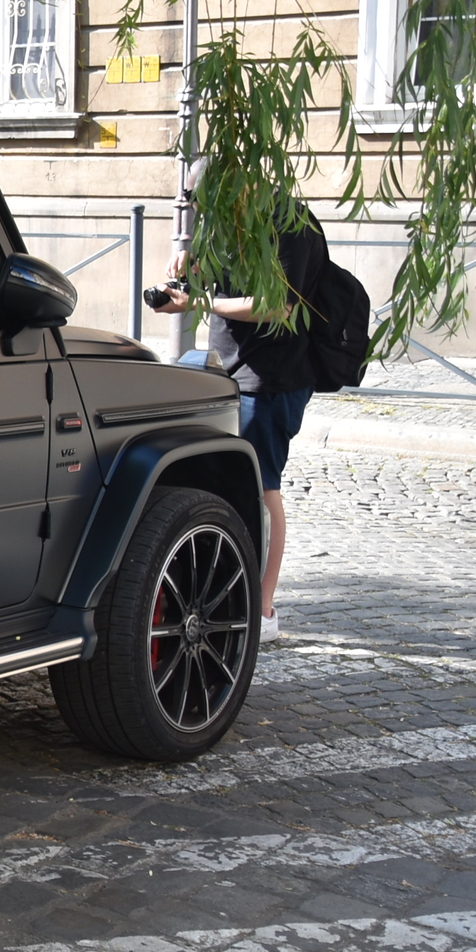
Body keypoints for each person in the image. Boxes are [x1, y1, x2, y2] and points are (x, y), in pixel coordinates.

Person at [150, 200, 330, 647]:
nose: (197, 208)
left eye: (202, 198)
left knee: (263, 488)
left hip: (271, 378)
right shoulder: (224, 224)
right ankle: (227, 597)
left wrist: (201, 300)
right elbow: (219, 288)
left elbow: (279, 306)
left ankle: (264, 608)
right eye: (194, 200)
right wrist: (190, 273)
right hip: (226, 371)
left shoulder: (291, 223)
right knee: (225, 487)